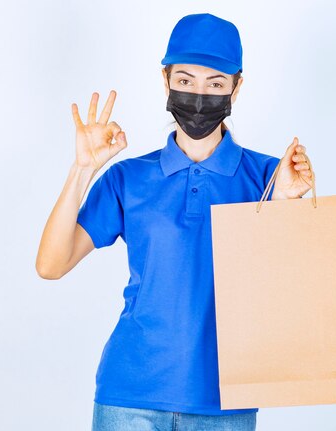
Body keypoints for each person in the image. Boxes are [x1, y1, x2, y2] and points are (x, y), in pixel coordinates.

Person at [36, 12, 313, 431]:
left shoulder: (269, 177)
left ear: (237, 87)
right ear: (165, 80)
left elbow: (292, 291)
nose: (199, 94)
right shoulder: (128, 179)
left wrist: (288, 202)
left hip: (228, 400)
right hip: (129, 396)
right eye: (185, 80)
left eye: (215, 83)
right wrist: (82, 170)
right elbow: (51, 266)